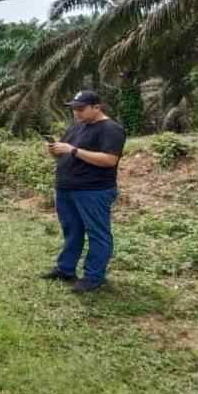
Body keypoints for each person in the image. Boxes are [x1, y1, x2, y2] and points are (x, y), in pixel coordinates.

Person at [42, 90, 126, 293]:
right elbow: (66, 152)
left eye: (81, 109)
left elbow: (109, 160)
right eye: (74, 109)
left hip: (93, 191)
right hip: (67, 188)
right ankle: (66, 269)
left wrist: (72, 150)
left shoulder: (111, 129)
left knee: (97, 234)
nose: (76, 113)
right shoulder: (77, 127)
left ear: (97, 107)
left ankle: (93, 277)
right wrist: (56, 150)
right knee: (72, 231)